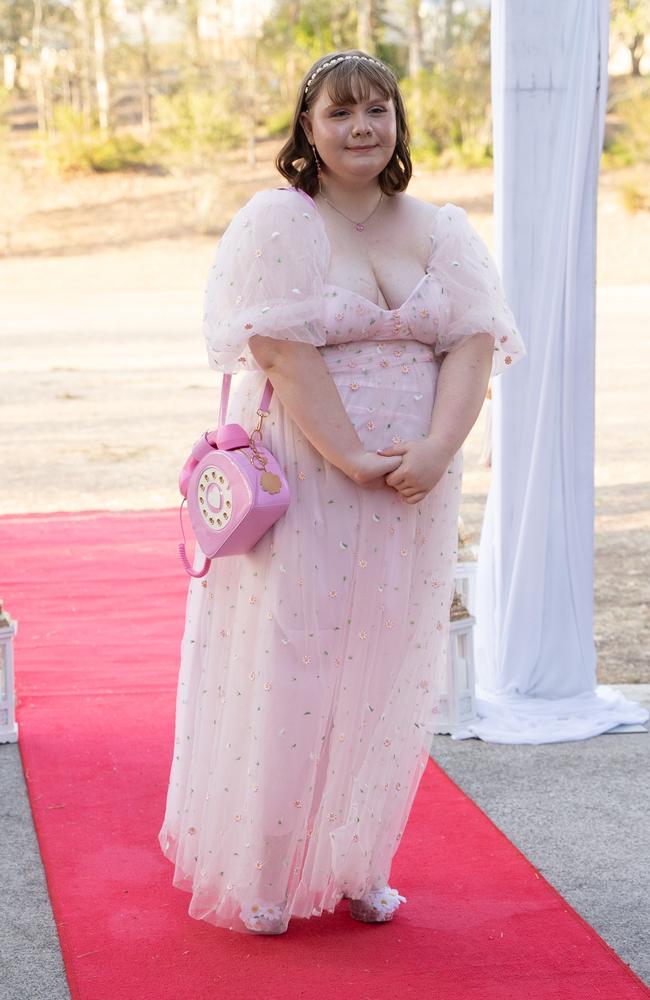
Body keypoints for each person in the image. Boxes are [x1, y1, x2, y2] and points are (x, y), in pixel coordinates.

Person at [158, 48, 525, 936]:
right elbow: (280, 349)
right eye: (341, 113)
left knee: (390, 668)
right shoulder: (281, 223)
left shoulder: (440, 228)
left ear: (398, 121)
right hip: (312, 476)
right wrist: (355, 455)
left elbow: (475, 341)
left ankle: (360, 861)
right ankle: (268, 874)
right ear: (308, 130)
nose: (363, 127)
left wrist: (437, 448)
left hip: (416, 487)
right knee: (295, 664)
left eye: (378, 110)